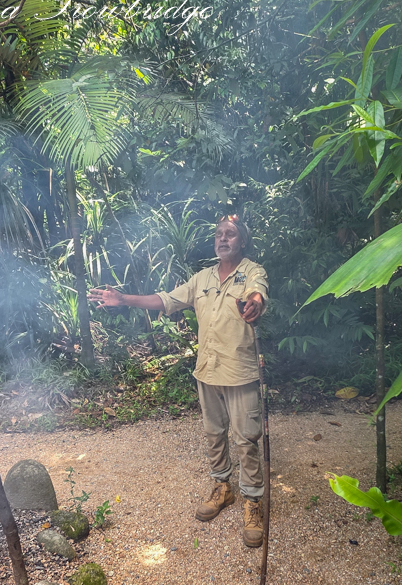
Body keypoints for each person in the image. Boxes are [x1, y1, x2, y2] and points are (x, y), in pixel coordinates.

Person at [89, 215, 268, 548]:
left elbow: (257, 293)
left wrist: (254, 304)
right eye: (219, 233)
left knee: (246, 439)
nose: (223, 238)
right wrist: (124, 299)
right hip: (207, 370)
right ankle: (222, 488)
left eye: (230, 234)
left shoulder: (252, 271)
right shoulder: (202, 278)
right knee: (214, 434)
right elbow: (166, 300)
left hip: (239, 371)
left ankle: (253, 501)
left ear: (242, 241)